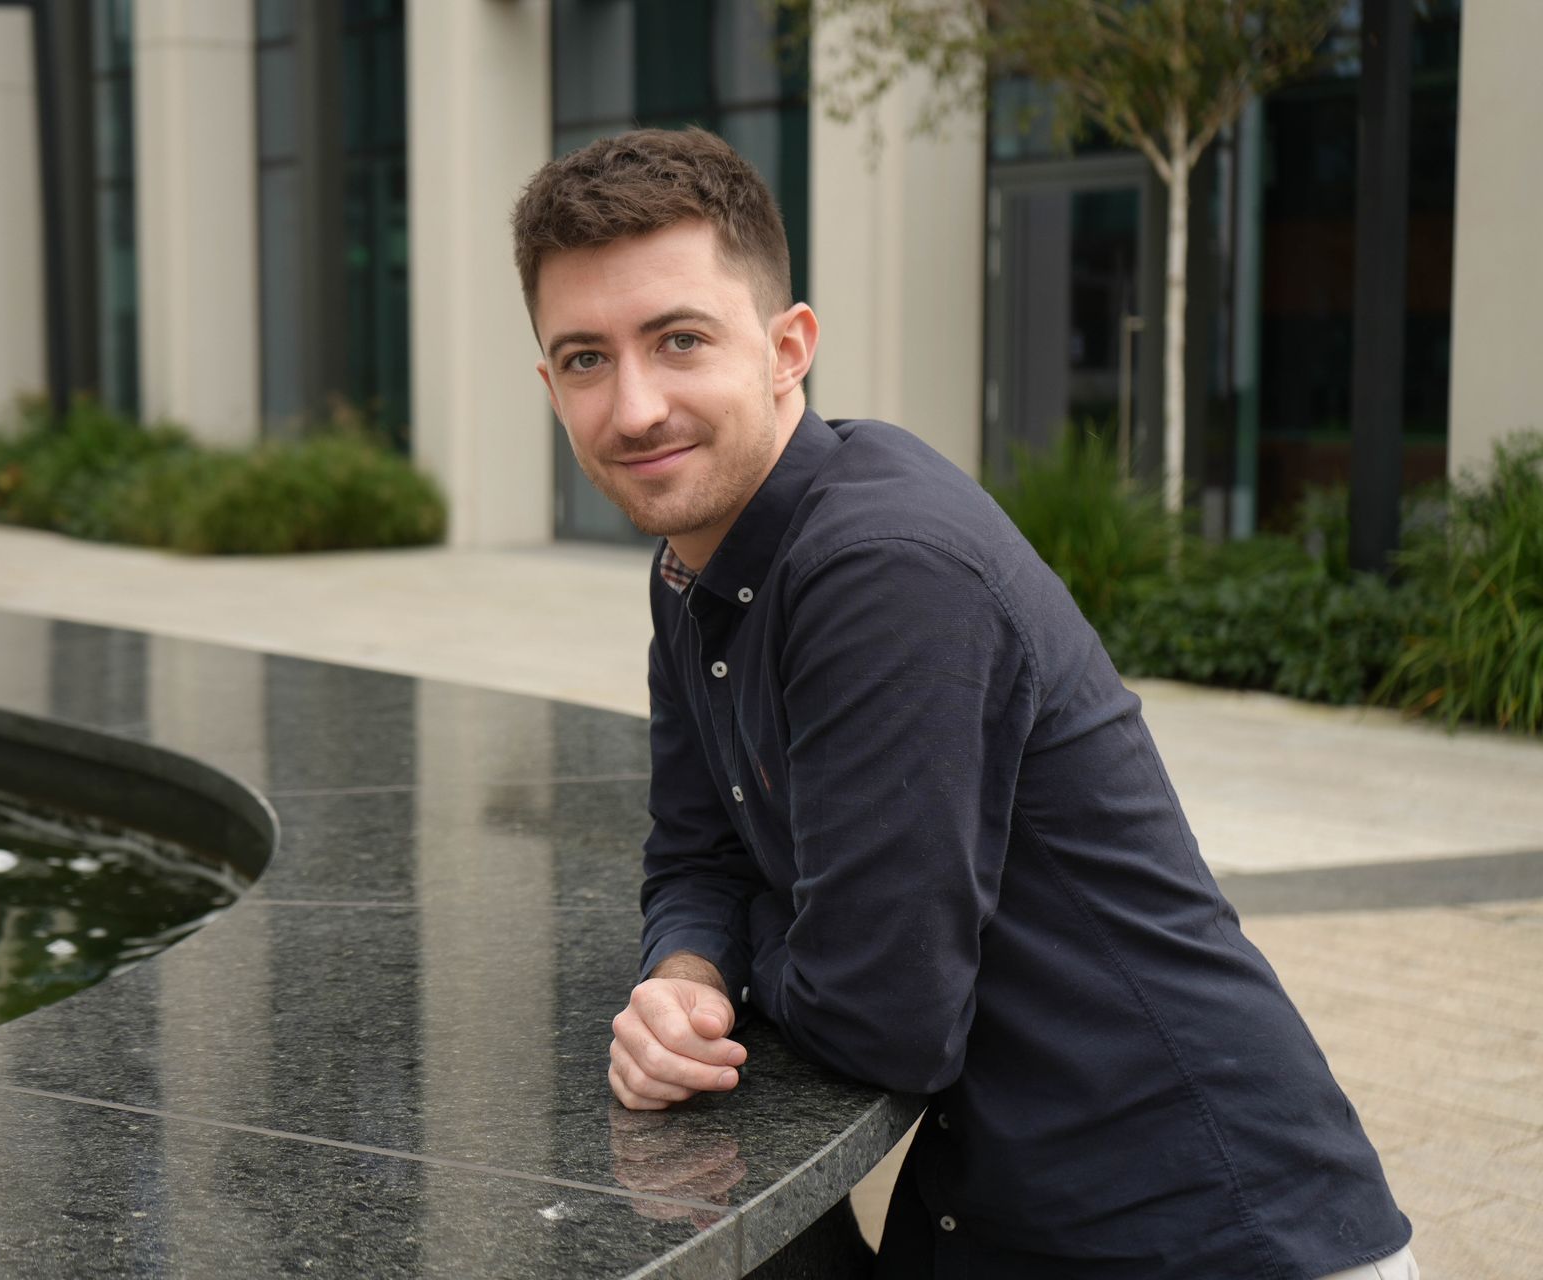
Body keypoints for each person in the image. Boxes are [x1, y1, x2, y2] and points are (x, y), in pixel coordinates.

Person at [510, 127, 1417, 1280]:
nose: (635, 407)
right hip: (1016, 1219)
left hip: (1211, 1234)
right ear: (549, 384)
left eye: (679, 339)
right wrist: (684, 977)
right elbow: (695, 850)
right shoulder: (696, 561)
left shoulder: (882, 565)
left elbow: (884, 1012)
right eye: (587, 359)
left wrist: (757, 953)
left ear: (789, 348)